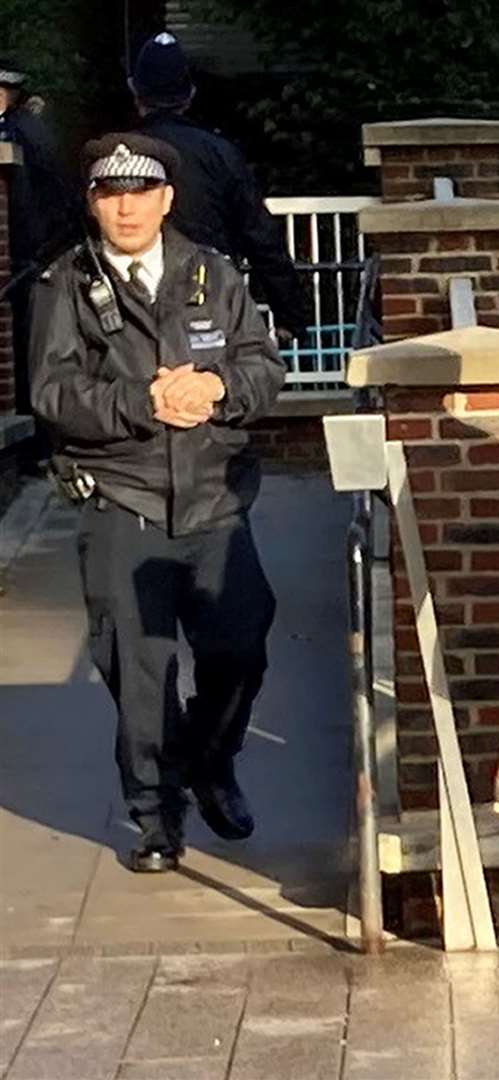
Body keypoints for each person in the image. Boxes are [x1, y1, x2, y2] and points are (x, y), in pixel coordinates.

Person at [30, 133, 287, 872]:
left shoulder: (212, 275)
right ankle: (155, 813)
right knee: (140, 678)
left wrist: (217, 388)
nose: (126, 208)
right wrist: (142, 402)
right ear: (94, 204)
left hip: (214, 503)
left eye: (139, 193)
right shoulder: (65, 286)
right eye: (110, 195)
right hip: (122, 500)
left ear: (166, 199)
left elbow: (261, 368)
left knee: (239, 651)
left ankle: (211, 759)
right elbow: (51, 393)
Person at [127, 33, 308, 340]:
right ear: (190, 94)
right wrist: (289, 313)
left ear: (136, 93)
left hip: (135, 302)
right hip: (209, 295)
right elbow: (260, 235)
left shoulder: (120, 153)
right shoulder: (221, 153)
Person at [1, 61, 78, 413]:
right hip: (40, 248)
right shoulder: (33, 128)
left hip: (29, 250)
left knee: (24, 346)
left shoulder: (19, 132)